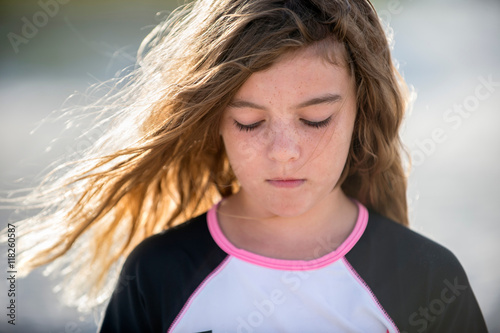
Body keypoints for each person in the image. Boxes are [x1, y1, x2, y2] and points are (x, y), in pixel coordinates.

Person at [7, 0, 486, 332]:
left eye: (315, 119)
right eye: (250, 122)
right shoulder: (158, 274)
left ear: (362, 109)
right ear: (215, 119)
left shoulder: (427, 278)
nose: (283, 151)